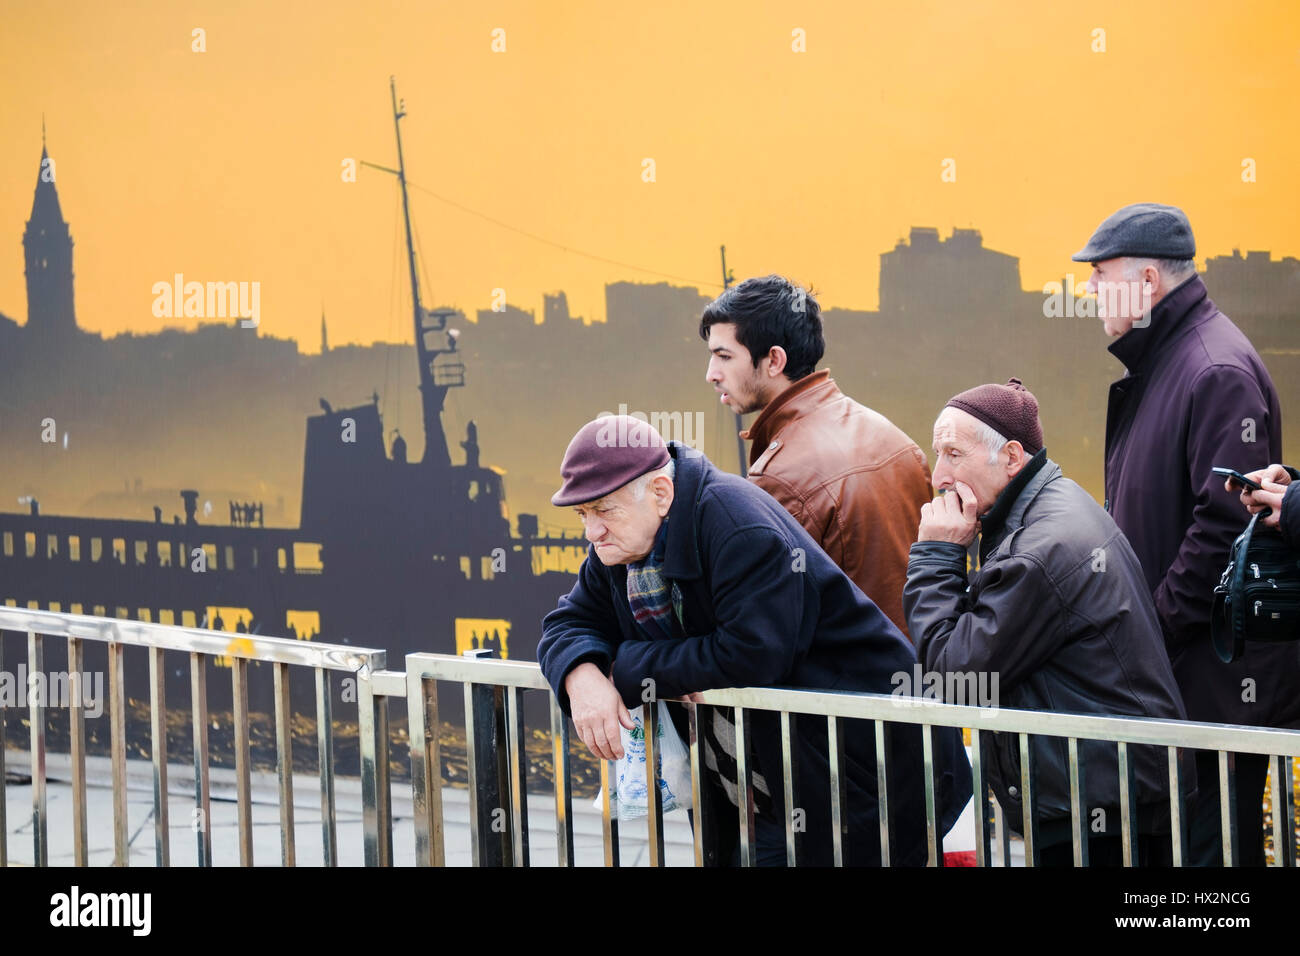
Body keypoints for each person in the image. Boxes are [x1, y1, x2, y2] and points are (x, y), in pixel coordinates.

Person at [538, 414, 972, 866]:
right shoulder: (621, 545)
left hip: (855, 776)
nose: (592, 532)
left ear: (661, 494)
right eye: (583, 514)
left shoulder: (737, 526)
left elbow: (752, 653)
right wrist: (581, 676)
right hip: (755, 783)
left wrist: (626, 669)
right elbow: (565, 623)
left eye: (604, 510)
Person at [1074, 202, 1300, 865]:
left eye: (1101, 274)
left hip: (1215, 695)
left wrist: (1146, 635)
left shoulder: (1212, 370)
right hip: (1183, 686)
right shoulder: (1174, 361)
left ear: (1147, 283)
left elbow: (1223, 531)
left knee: (1210, 870)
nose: (1088, 291)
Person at [904, 380, 1192, 865]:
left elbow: (954, 678)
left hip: (1099, 802)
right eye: (938, 455)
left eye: (953, 454)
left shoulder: (1040, 549)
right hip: (1108, 790)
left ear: (1012, 457)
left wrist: (937, 554)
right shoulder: (1050, 505)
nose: (939, 476)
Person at [700, 275, 932, 639]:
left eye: (724, 356)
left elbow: (762, 631)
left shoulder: (779, 478)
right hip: (916, 674)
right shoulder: (895, 439)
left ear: (774, 359)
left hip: (843, 689)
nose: (711, 374)